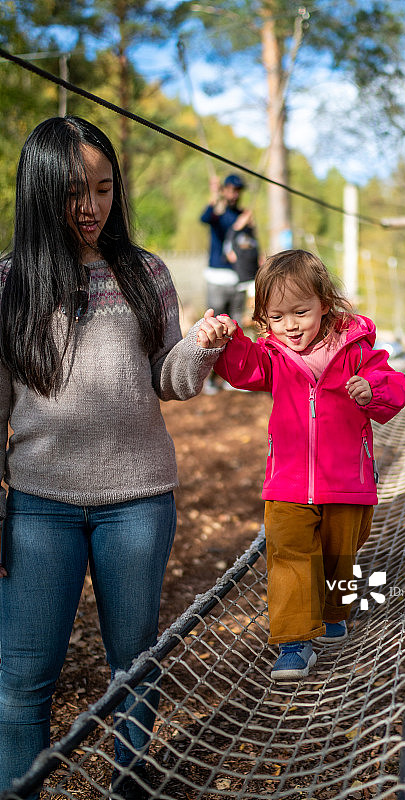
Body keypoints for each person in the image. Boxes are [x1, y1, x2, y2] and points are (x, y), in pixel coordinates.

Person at [0, 116, 231, 800]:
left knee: (134, 665)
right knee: (22, 677)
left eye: (103, 189)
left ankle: (129, 786)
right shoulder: (10, 282)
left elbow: (167, 375)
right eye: (74, 191)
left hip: (138, 503)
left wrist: (201, 346)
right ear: (40, 191)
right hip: (39, 507)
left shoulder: (145, 271)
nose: (91, 206)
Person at [209, 249, 405, 681]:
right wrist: (229, 340)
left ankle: (335, 610)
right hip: (287, 482)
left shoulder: (356, 351)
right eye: (277, 317)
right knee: (289, 555)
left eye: (301, 312)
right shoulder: (274, 355)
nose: (291, 326)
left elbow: (395, 387)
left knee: (340, 554)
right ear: (264, 318)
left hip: (347, 481)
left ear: (325, 303)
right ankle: (294, 643)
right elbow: (243, 370)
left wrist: (370, 388)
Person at [200, 173, 250, 393]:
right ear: (224, 190)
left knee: (235, 328)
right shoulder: (219, 214)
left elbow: (247, 245)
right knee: (215, 328)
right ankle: (210, 379)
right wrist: (213, 196)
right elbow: (205, 218)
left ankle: (233, 377)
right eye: (230, 189)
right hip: (217, 277)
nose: (234, 193)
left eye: (237, 190)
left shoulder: (244, 216)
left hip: (237, 279)